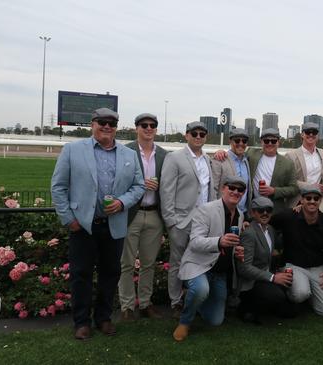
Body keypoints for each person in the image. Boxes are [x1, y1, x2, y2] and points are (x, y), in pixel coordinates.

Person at [51, 107, 144, 340]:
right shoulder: (72, 150)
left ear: (116, 127)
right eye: (102, 122)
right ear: (92, 124)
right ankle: (81, 322)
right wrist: (68, 219)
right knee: (81, 275)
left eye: (112, 123)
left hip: (113, 226)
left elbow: (139, 186)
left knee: (110, 274)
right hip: (82, 226)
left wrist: (123, 203)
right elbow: (58, 187)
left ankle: (103, 318)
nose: (107, 126)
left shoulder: (128, 155)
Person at [172, 176, 246, 341]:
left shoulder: (240, 215)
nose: (235, 192)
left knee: (215, 320)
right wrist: (219, 241)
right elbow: (195, 242)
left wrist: (237, 251)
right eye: (231, 188)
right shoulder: (206, 209)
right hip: (199, 265)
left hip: (219, 272)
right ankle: (185, 321)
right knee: (200, 289)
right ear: (223, 189)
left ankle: (194, 301)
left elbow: (230, 244)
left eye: (240, 190)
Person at [160, 121, 216, 319]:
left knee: (200, 261)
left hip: (202, 222)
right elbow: (166, 191)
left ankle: (196, 299)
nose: (198, 137)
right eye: (194, 133)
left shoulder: (208, 160)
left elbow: (209, 191)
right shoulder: (174, 158)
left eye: (202, 134)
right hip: (181, 221)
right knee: (177, 262)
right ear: (187, 135)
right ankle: (175, 302)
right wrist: (171, 222)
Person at [270, 185, 323, 316]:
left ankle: (311, 294)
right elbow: (268, 221)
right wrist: (248, 223)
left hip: (318, 269)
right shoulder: (290, 216)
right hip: (294, 266)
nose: (312, 201)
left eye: (316, 198)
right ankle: (291, 293)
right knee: (301, 293)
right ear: (302, 200)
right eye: (308, 198)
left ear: (320, 200)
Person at [118, 113, 168, 321]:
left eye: (152, 125)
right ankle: (127, 306)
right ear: (136, 128)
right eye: (144, 125)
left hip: (154, 214)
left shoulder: (164, 155)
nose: (148, 128)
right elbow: (118, 181)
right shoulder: (125, 151)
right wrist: (139, 187)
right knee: (127, 263)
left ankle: (145, 303)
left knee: (149, 263)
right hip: (132, 214)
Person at [237, 197, 296, 323]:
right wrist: (273, 277)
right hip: (251, 283)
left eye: (268, 210)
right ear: (253, 213)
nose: (265, 213)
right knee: (277, 297)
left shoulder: (270, 229)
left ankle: (268, 306)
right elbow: (244, 268)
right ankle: (247, 309)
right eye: (260, 210)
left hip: (266, 277)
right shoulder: (249, 233)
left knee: (291, 311)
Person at [247, 128, 299, 214]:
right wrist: (221, 152)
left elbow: (294, 189)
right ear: (261, 142)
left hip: (275, 211)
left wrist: (274, 191)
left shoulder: (288, 164)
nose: (270, 143)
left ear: (278, 142)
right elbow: (236, 152)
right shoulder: (251, 154)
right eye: (266, 141)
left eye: (273, 141)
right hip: (254, 209)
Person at [285, 122, 323, 207]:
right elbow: (287, 180)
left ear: (317, 136)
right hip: (298, 201)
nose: (311, 135)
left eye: (314, 132)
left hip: (318, 200)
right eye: (308, 132)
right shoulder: (291, 155)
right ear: (302, 135)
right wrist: (310, 186)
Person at [211, 128, 252, 214]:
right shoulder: (220, 160)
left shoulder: (246, 161)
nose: (241, 143)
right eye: (237, 141)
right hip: (223, 212)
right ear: (230, 141)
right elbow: (213, 188)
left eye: (244, 141)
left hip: (242, 212)